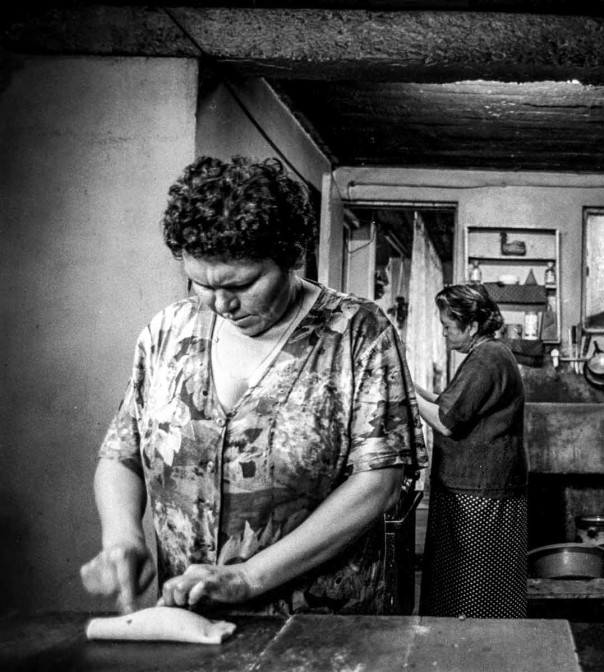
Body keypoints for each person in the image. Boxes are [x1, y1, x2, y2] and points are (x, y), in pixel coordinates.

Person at [79, 156, 428, 616]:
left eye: (242, 285)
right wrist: (122, 537)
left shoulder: (358, 333)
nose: (221, 304)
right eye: (201, 283)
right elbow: (122, 451)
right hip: (193, 616)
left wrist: (248, 577)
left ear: (291, 258)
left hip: (319, 624)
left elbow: (378, 484)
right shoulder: (168, 333)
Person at [414, 284, 529, 618]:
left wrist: (405, 394)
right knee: (465, 585)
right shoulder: (488, 354)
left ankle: (473, 645)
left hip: (479, 493)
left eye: (448, 326)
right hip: (475, 487)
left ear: (473, 326)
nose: (445, 334)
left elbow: (446, 421)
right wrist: (407, 383)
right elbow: (447, 403)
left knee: (471, 588)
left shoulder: (487, 359)